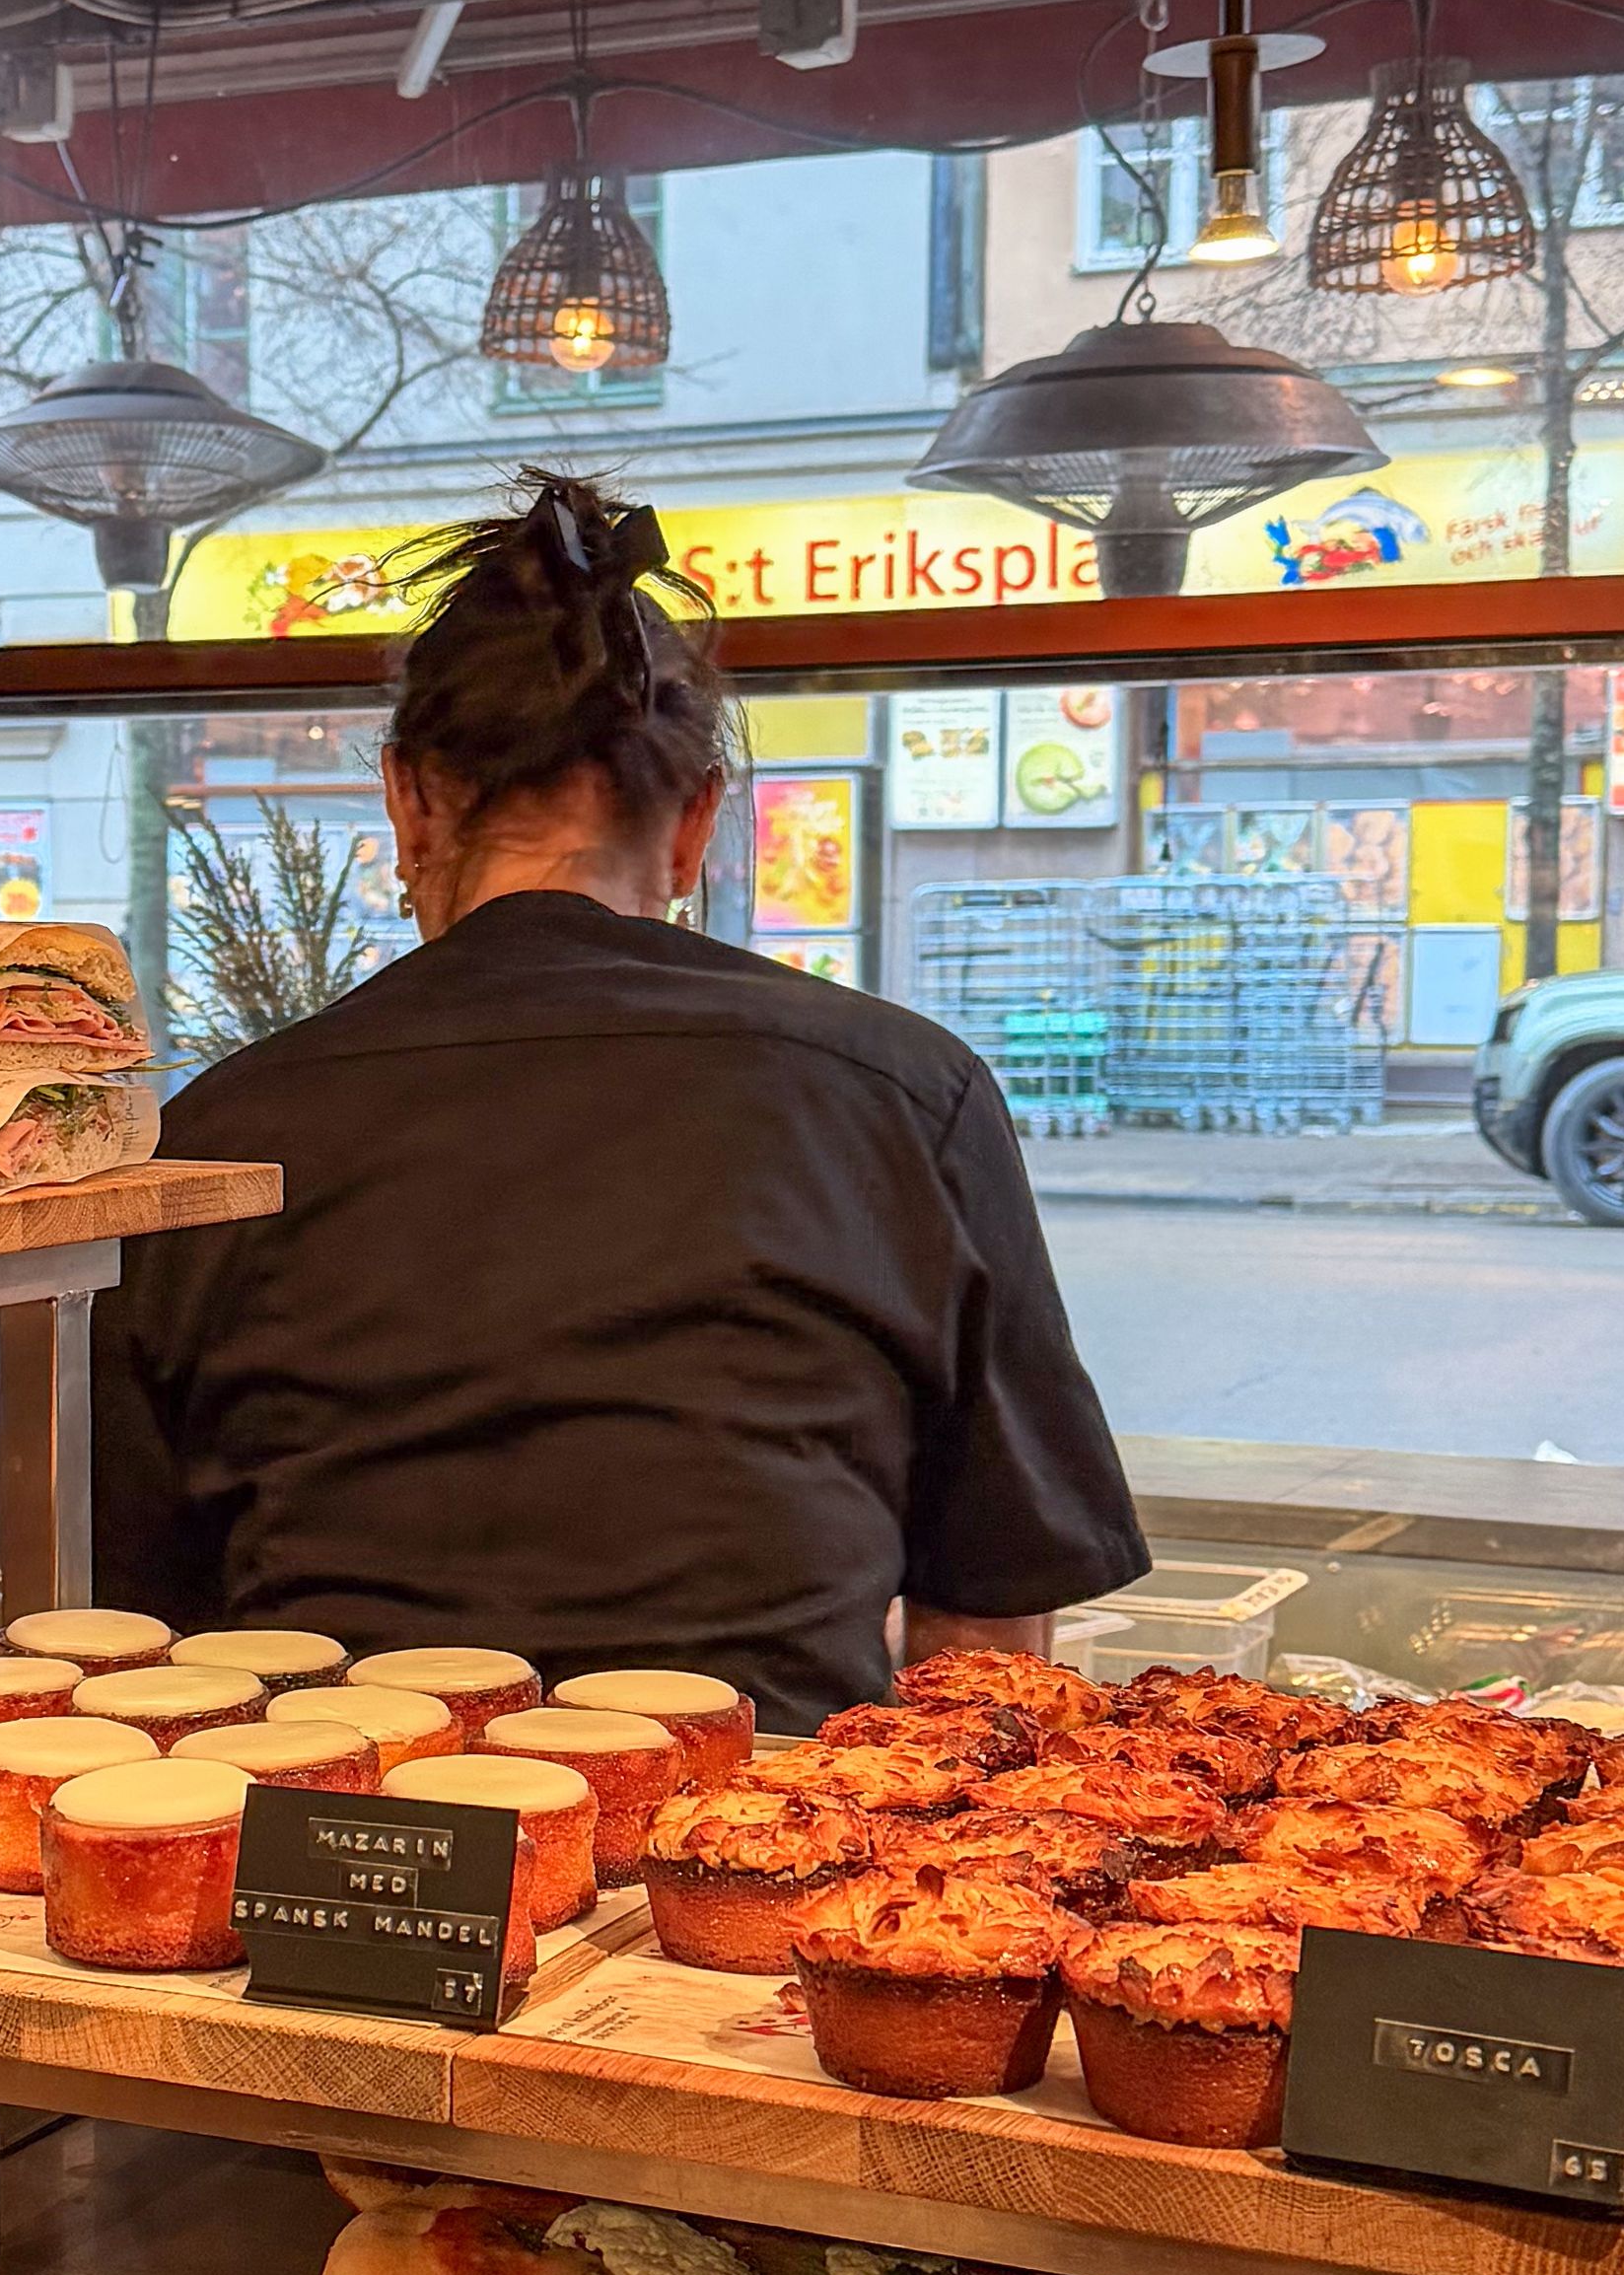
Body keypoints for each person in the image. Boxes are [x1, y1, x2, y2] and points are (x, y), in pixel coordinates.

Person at [93, 473, 1142, 1724]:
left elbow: (131, 1627)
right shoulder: (902, 1091)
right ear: (697, 821)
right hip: (767, 1848)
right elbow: (991, 1618)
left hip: (335, 1848)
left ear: (408, 799)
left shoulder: (217, 1133)